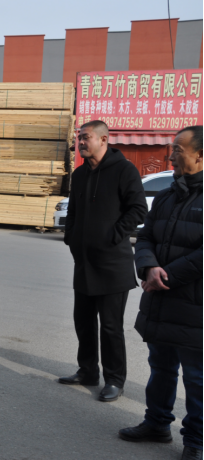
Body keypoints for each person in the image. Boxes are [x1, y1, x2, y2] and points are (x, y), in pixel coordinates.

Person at [119, 126, 203, 460]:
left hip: (195, 305)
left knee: (197, 378)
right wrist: (149, 266)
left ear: (200, 155)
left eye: (178, 150)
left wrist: (166, 274)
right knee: (161, 367)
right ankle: (156, 423)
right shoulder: (168, 195)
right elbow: (146, 236)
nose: (171, 156)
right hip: (161, 298)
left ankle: (196, 441)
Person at [60, 120, 148, 402]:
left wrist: (113, 236)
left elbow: (138, 209)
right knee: (83, 322)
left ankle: (114, 379)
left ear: (103, 139)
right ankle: (87, 371)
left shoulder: (124, 170)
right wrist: (71, 237)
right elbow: (73, 211)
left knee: (111, 327)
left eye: (85, 137)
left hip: (113, 264)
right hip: (84, 262)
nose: (80, 143)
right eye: (79, 138)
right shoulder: (80, 173)